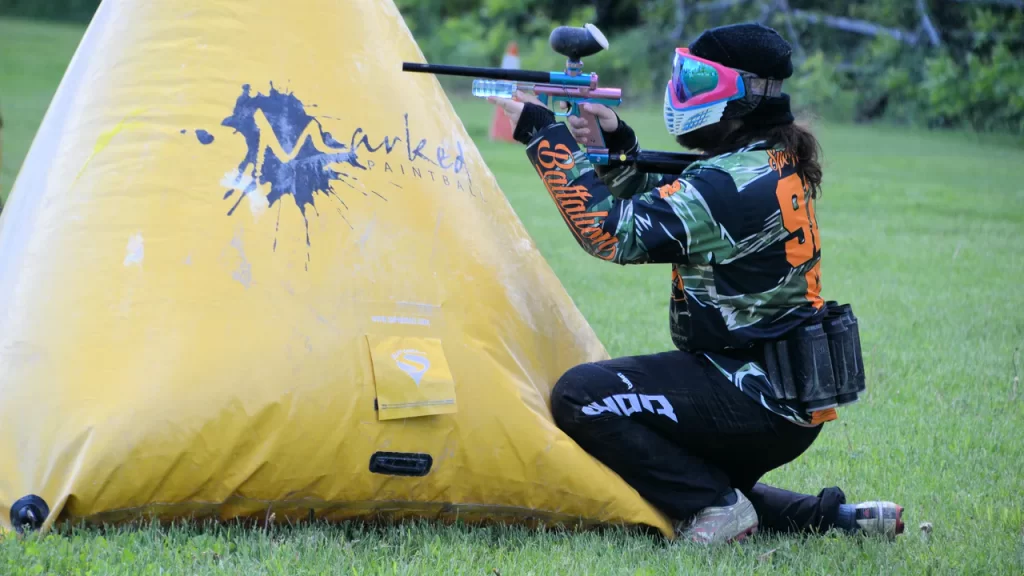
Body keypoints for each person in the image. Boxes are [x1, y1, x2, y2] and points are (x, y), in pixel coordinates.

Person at [489, 22, 905, 544]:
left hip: (752, 397)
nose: (682, 90)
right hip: (780, 395)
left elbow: (608, 232)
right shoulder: (765, 162)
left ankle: (715, 506)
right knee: (683, 464)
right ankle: (829, 518)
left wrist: (543, 136)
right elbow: (676, 201)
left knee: (581, 396)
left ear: (738, 94)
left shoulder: (725, 182)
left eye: (698, 78)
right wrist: (617, 141)